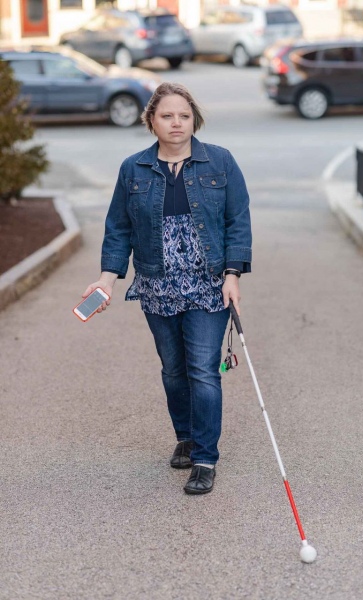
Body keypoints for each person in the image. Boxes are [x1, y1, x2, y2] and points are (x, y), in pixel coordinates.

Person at [82, 82, 252, 495]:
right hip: (157, 284)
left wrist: (232, 274)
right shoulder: (133, 169)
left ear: (194, 119)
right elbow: (119, 229)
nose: (176, 123)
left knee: (202, 370)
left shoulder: (220, 162)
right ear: (151, 122)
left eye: (184, 115)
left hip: (208, 283)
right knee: (174, 370)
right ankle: (187, 435)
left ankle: (205, 458)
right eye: (167, 116)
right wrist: (107, 278)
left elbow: (238, 221)